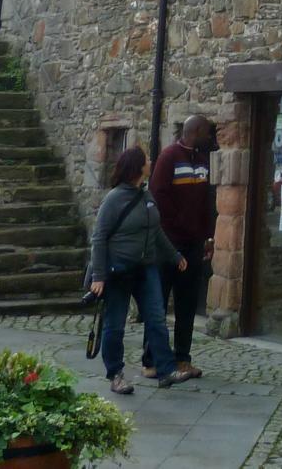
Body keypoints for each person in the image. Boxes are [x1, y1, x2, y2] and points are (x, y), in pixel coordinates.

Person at [88, 145, 187, 394]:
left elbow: (156, 231)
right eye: (146, 159)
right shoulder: (113, 199)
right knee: (115, 324)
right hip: (119, 270)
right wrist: (99, 276)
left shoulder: (146, 196)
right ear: (137, 166)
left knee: (156, 319)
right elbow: (99, 238)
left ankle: (165, 370)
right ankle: (116, 374)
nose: (150, 161)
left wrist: (174, 255)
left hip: (146, 268)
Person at [143, 114, 216, 382]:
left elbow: (207, 199)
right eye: (208, 132)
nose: (211, 138)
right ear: (195, 131)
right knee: (158, 303)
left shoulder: (202, 160)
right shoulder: (169, 157)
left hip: (194, 244)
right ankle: (151, 360)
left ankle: (183, 358)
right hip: (168, 244)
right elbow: (158, 197)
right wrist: (176, 233)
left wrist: (208, 235)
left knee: (187, 304)